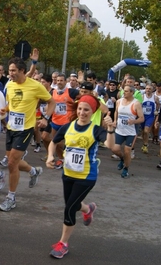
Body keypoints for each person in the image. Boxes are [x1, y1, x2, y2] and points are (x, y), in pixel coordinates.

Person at [46, 94, 115, 259]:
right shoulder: (68, 127)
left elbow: (110, 146)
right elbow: (53, 142)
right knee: (73, 204)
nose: (82, 112)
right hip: (68, 174)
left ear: (93, 112)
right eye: (80, 109)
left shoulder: (96, 130)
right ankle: (88, 208)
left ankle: (63, 244)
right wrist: (50, 156)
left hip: (86, 177)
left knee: (69, 208)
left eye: (86, 110)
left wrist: (111, 129)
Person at [0, 57, 56, 212]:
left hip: (25, 128)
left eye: (13, 71)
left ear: (22, 71)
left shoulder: (35, 86)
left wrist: (45, 118)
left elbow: (52, 102)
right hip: (11, 127)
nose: (10, 74)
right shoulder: (9, 85)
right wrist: (6, 109)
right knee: (12, 161)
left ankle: (11, 198)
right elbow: (12, 103)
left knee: (11, 164)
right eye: (9, 70)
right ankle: (33, 171)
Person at [111, 85, 144, 178]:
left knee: (127, 151)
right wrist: (114, 121)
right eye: (123, 91)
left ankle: (126, 168)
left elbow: (142, 118)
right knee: (114, 149)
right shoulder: (119, 101)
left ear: (131, 93)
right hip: (119, 130)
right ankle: (122, 159)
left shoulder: (136, 103)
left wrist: (134, 121)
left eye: (126, 91)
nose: (123, 93)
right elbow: (116, 111)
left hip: (131, 132)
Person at [140, 84, 159, 153]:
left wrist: (156, 110)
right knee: (143, 131)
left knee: (146, 130)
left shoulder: (155, 97)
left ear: (152, 90)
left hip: (150, 116)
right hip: (143, 116)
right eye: (147, 88)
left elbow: (158, 103)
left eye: (149, 89)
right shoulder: (142, 96)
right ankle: (144, 143)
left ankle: (145, 145)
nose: (148, 90)